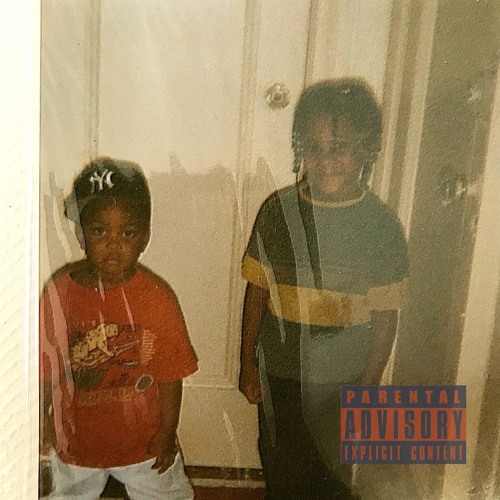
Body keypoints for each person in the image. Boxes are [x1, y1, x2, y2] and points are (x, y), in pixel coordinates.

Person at [239, 79, 408, 499]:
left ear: (365, 150)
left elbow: (386, 315)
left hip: (343, 379)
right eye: (313, 148)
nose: (325, 160)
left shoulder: (381, 226)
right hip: (280, 373)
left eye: (339, 148)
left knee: (331, 470)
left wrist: (370, 385)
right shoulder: (277, 212)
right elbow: (256, 294)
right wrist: (246, 364)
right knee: (279, 460)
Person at [40, 157, 198, 500]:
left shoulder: (157, 298)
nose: (113, 244)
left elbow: (172, 373)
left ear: (145, 236)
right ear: (82, 233)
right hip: (76, 442)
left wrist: (167, 431)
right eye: (100, 231)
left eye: (127, 233)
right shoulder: (60, 294)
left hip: (143, 442)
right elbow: (46, 368)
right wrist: (41, 420)